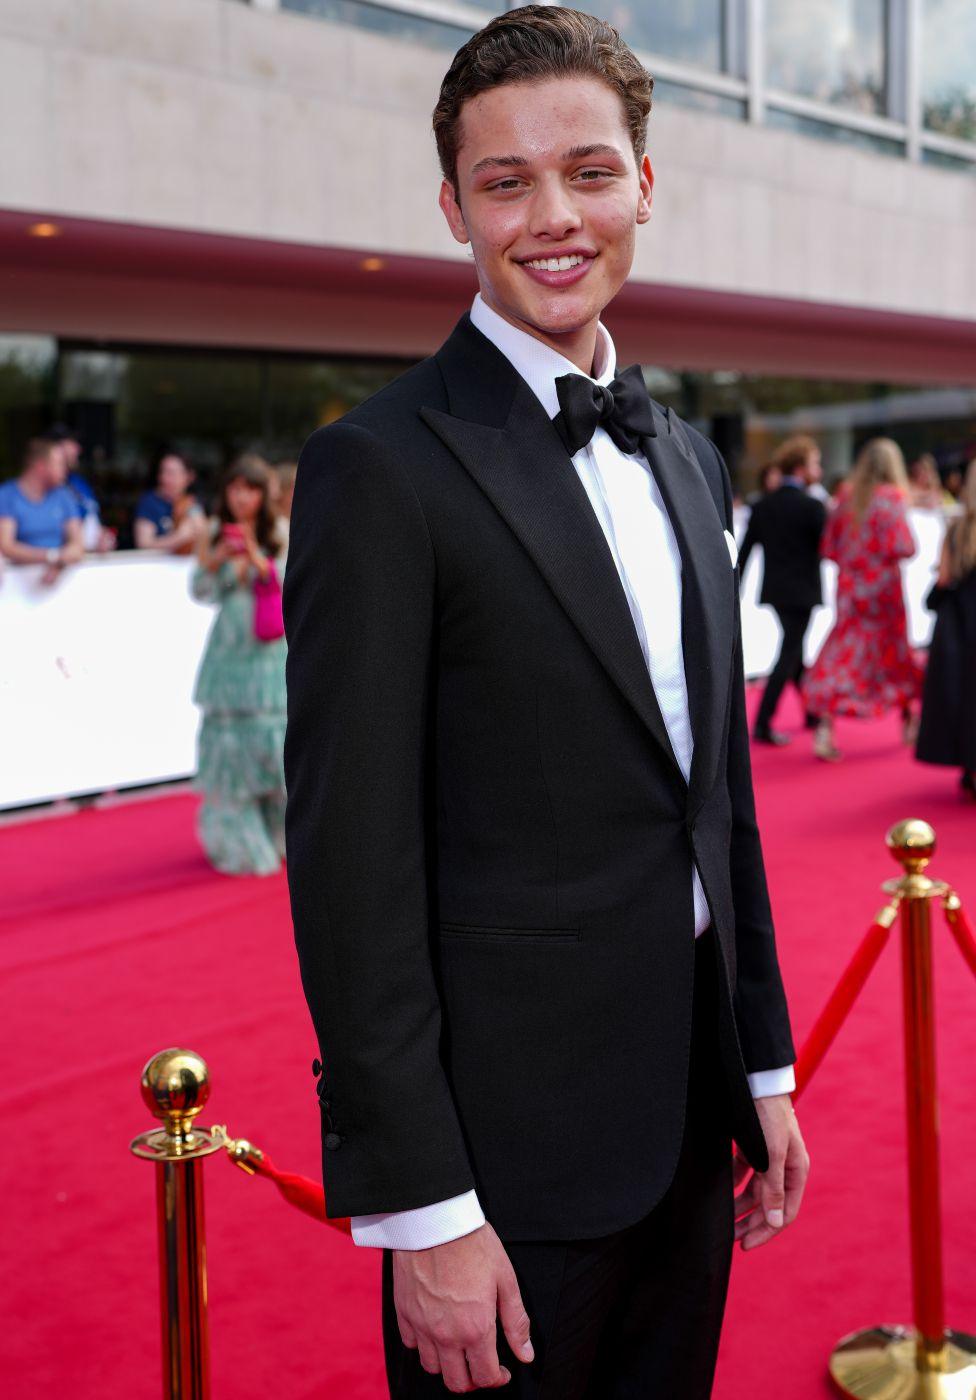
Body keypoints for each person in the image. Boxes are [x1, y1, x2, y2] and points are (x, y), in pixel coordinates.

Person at [284, 10, 806, 1399]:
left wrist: (763, 1063)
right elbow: (351, 871)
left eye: (587, 170)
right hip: (501, 1184)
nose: (553, 217)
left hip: (692, 1132)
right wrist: (426, 1212)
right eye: (506, 183)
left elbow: (715, 799)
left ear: (645, 180)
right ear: (453, 208)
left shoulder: (688, 458)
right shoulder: (377, 471)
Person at [191, 454, 287, 876]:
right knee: (230, 745)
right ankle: (239, 843)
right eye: (234, 488)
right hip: (229, 647)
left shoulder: (279, 531)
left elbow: (289, 580)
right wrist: (217, 560)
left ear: (263, 494)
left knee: (274, 742)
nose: (241, 497)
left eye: (249, 489)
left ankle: (282, 835)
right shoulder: (213, 531)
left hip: (267, 648)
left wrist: (255, 557)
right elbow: (200, 589)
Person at [804, 438, 924, 762]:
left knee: (844, 652)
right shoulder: (892, 499)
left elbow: (829, 549)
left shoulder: (845, 498)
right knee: (894, 652)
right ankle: (909, 719)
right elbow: (906, 546)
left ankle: (826, 725)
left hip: (850, 590)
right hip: (884, 591)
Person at [737, 435, 827, 744]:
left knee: (795, 650)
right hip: (803, 591)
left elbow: (745, 552)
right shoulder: (814, 507)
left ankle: (812, 712)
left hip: (776, 591)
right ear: (801, 468)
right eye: (815, 462)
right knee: (789, 652)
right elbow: (828, 549)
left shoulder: (763, 506)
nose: (820, 468)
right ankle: (763, 721)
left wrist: (732, 589)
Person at [916, 459, 976, 797]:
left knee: (965, 694)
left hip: (963, 623)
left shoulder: (958, 529)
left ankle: (969, 765)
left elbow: (945, 579)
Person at [0, 437, 85, 583]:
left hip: (59, 584)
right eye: (59, 464)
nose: (65, 470)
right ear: (40, 466)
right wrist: (52, 556)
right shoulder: (7, 495)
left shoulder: (64, 495)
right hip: (17, 586)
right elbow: (6, 546)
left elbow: (77, 545)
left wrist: (59, 563)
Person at [134, 450, 205, 553]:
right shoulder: (150, 502)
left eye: (172, 473)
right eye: (162, 472)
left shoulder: (191, 502)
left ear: (189, 477)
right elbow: (143, 544)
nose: (164, 478)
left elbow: (201, 534)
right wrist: (180, 537)